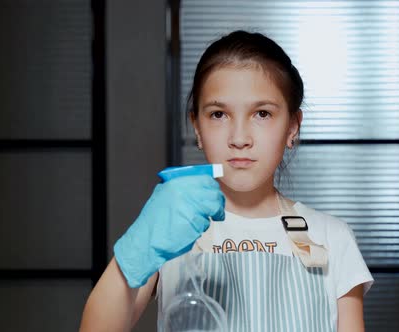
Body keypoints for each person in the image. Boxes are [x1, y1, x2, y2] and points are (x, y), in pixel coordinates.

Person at [80, 30, 373, 332]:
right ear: (196, 126)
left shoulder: (333, 238)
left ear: (292, 127)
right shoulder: (171, 232)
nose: (239, 138)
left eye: (262, 113)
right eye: (219, 114)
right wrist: (137, 249)